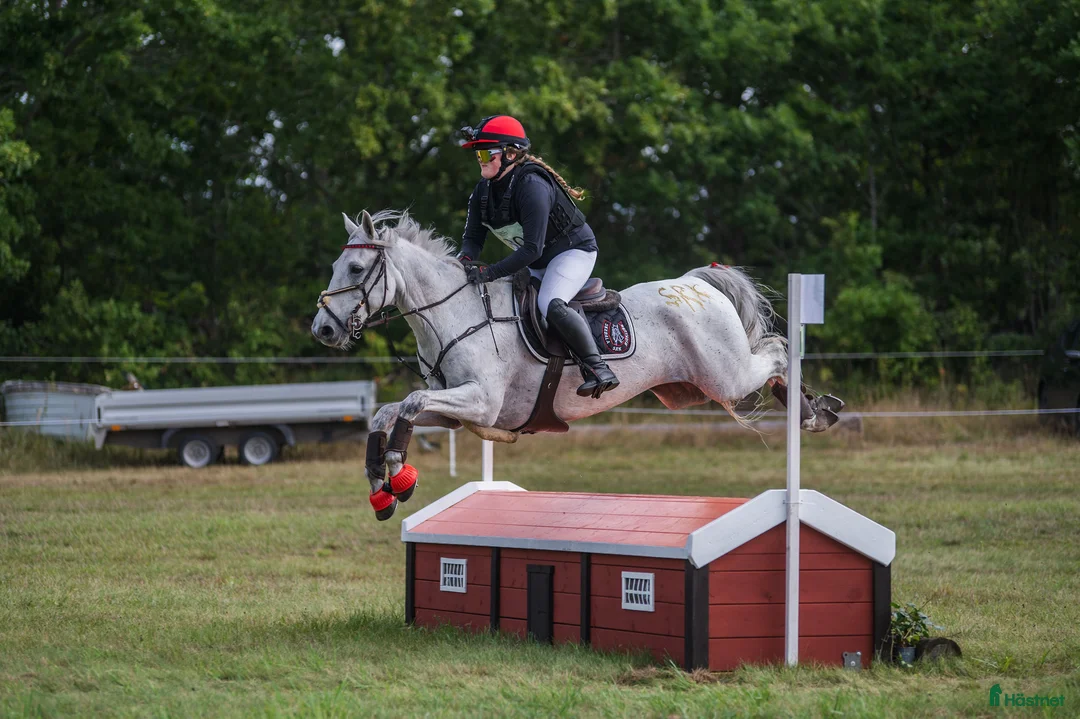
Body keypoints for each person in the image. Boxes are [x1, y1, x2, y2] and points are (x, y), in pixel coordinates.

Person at [457, 115, 619, 399]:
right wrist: (465, 262)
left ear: (510, 154)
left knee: (550, 304)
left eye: (484, 153)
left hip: (572, 251)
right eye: (477, 153)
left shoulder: (532, 185)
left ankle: (598, 368)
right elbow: (472, 238)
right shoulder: (482, 191)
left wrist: (489, 272)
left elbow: (532, 249)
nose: (479, 159)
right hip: (537, 260)